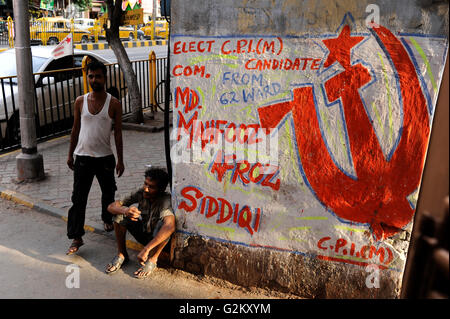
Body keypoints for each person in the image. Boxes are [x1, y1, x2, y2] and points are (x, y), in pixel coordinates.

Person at [66, 60, 124, 255]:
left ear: (105, 78)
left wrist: (120, 159)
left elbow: (117, 134)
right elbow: (75, 129)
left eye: (97, 76)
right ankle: (76, 236)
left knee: (108, 193)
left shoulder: (114, 103)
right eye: (91, 76)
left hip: (105, 158)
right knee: (78, 198)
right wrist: (70, 154)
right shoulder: (80, 101)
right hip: (82, 157)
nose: (94, 79)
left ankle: (107, 219)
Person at [105, 167, 175, 279]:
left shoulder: (165, 200)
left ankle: (153, 260)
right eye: (145, 184)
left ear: (160, 189)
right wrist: (126, 210)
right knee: (119, 214)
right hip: (143, 232)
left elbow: (170, 226)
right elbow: (111, 207)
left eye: (151, 187)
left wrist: (146, 249)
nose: (146, 189)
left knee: (165, 227)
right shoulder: (141, 192)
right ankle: (122, 255)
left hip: (156, 241)